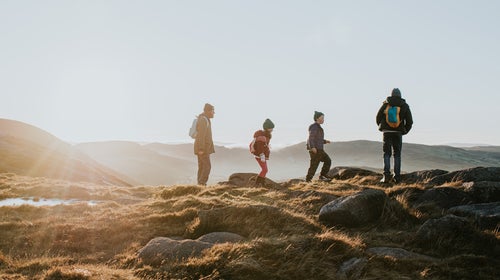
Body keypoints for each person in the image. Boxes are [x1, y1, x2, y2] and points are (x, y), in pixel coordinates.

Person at [376, 88, 413, 183]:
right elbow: (410, 121)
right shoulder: (404, 105)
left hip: (387, 132)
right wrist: (404, 131)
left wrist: (382, 126)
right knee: (397, 154)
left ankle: (386, 176)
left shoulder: (386, 104)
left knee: (386, 154)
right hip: (398, 133)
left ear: (391, 94)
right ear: (400, 95)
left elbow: (378, 117)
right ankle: (397, 176)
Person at [306, 111, 332, 182]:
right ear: (317, 118)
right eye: (322, 118)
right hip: (316, 149)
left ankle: (322, 176)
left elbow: (318, 139)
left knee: (327, 160)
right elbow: (311, 138)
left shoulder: (318, 127)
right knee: (314, 166)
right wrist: (312, 147)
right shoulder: (314, 126)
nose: (323, 119)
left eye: (323, 118)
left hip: (319, 149)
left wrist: (325, 141)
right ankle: (308, 180)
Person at [194, 103, 215, 186]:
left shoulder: (204, 119)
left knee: (202, 166)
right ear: (208, 111)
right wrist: (201, 149)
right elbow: (201, 135)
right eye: (213, 111)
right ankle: (202, 184)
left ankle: (200, 184)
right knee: (207, 166)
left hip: (203, 148)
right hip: (203, 149)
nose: (214, 113)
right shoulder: (203, 120)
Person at [250, 119, 274, 186]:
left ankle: (261, 183)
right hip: (260, 156)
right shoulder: (262, 137)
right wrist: (262, 155)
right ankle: (258, 183)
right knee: (265, 170)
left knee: (265, 170)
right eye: (271, 128)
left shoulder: (265, 135)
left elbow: (263, 145)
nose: (272, 129)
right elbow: (260, 147)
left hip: (261, 155)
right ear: (267, 128)